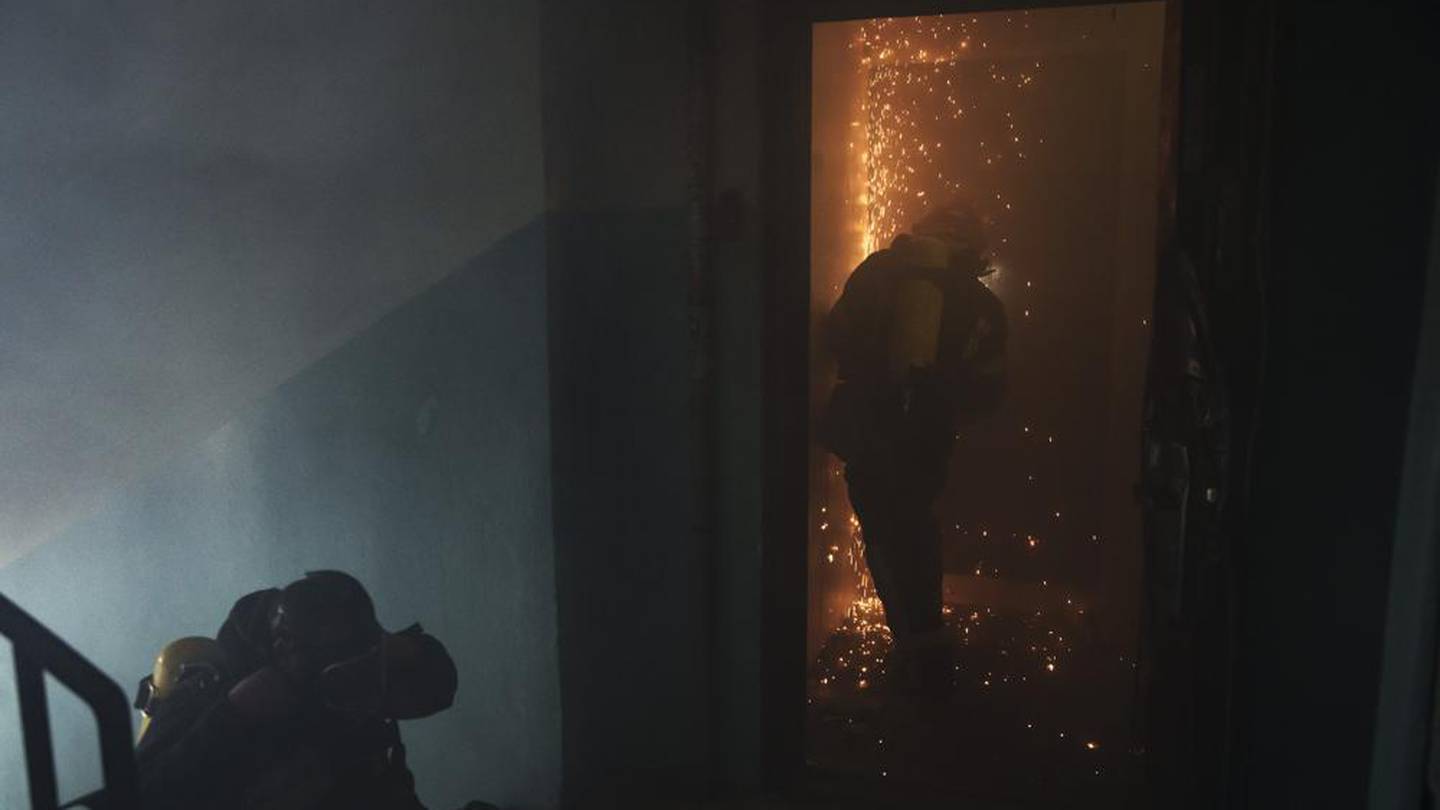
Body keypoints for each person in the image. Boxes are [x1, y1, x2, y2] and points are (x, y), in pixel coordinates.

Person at [822, 200, 1008, 694]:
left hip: (866, 432)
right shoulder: (981, 304)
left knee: (881, 535)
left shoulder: (880, 270)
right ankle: (925, 649)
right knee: (916, 530)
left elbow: (836, 333)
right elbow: (987, 392)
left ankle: (913, 646)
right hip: (926, 440)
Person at [134, 570, 459, 810]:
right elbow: (141, 797)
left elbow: (438, 687)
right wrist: (229, 718)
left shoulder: (355, 688)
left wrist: (394, 649)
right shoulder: (213, 693)